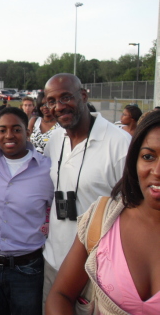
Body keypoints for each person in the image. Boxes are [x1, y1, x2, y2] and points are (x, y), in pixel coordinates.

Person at [46, 110, 160, 315]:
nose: (157, 171)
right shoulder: (102, 217)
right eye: (148, 156)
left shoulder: (116, 141)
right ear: (135, 161)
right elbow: (60, 295)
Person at [41, 73, 131, 310]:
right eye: (52, 101)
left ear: (83, 96)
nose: (59, 106)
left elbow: (133, 212)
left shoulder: (119, 144)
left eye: (66, 97)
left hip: (96, 271)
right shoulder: (55, 139)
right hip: (53, 261)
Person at [0, 107, 54, 315]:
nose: (9, 135)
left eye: (16, 129)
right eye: (2, 130)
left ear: (27, 132)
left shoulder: (48, 170)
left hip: (27, 269)